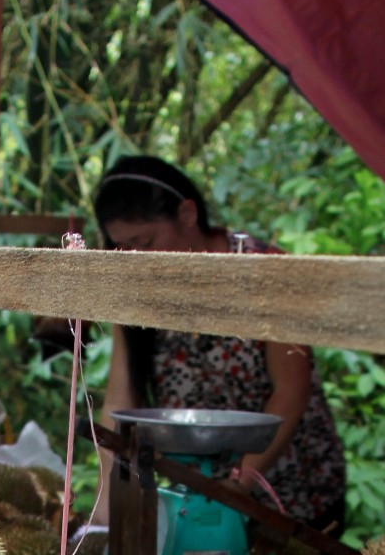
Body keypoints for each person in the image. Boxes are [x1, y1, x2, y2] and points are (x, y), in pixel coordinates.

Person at [94, 156, 345, 532]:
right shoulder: (136, 291)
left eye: (144, 241)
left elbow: (291, 390)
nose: (136, 257)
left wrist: (241, 480)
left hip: (290, 493)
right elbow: (120, 398)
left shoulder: (264, 270)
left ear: (188, 213)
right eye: (122, 247)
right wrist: (106, 496)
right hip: (195, 496)